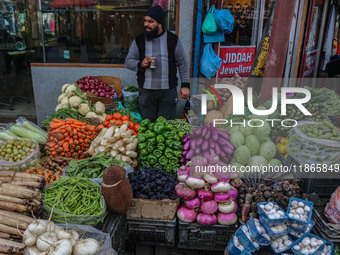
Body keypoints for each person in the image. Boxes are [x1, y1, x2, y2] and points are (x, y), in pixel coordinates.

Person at [125, 5, 190, 122]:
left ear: (160, 23)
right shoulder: (139, 40)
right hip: (146, 92)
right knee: (148, 126)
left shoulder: (172, 39)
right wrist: (141, 64)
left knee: (167, 125)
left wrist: (185, 85)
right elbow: (128, 62)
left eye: (150, 21)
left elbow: (183, 63)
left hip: (168, 91)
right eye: (145, 21)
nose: (146, 24)